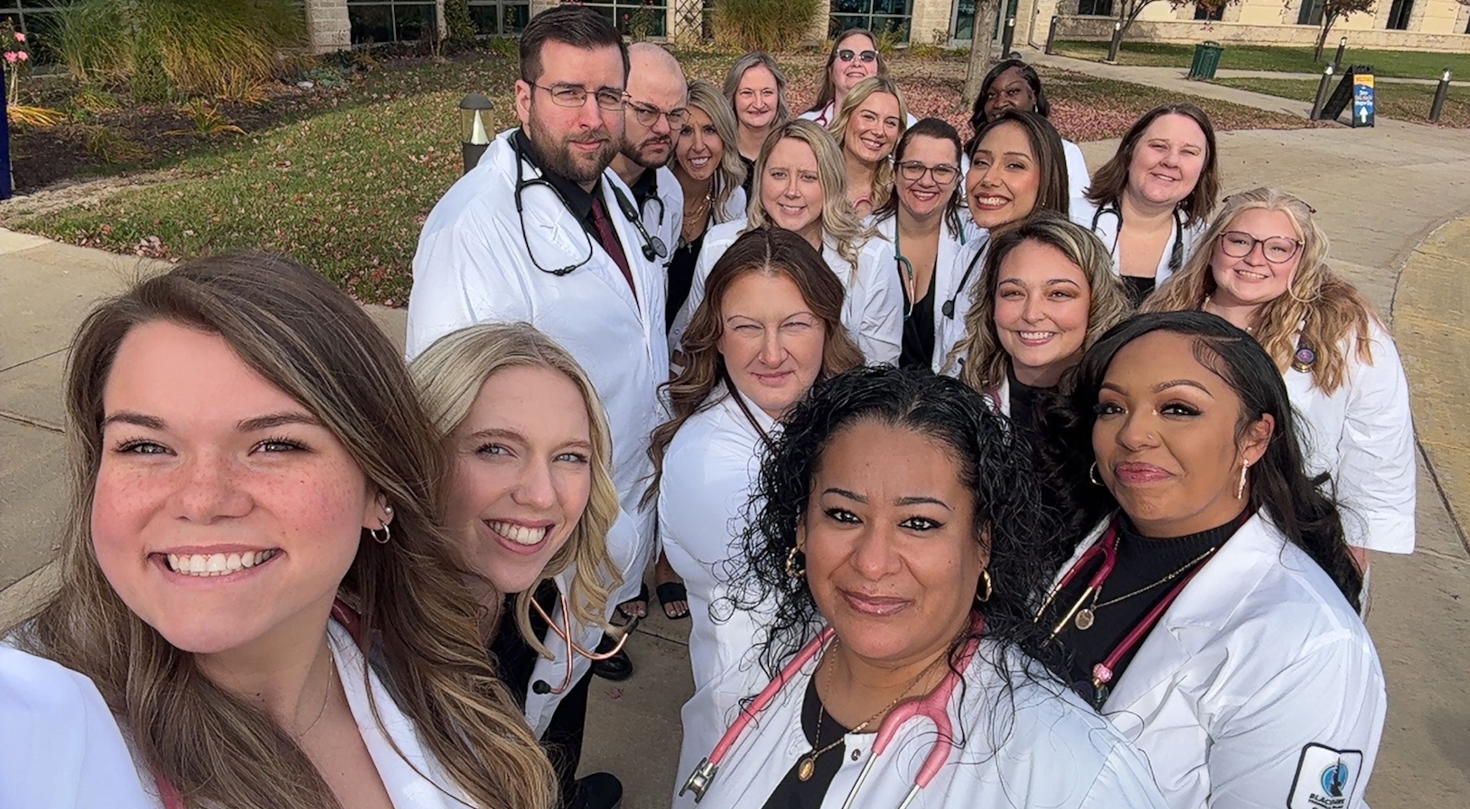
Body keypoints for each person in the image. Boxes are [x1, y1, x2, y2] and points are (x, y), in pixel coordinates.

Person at [0, 252, 557, 809]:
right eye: (145, 446)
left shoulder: (411, 658)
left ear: (378, 490)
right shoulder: (40, 730)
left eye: (274, 445)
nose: (202, 500)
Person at [673, 366, 1171, 809]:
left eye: (919, 523)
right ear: (802, 527)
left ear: (982, 543)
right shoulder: (761, 660)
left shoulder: (1074, 776)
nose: (871, 563)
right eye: (843, 515)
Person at [405, 4, 664, 681]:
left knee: (567, 676)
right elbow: (448, 412)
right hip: (523, 537)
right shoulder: (474, 229)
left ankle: (564, 786)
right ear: (523, 98)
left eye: (608, 96)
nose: (592, 116)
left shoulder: (608, 188)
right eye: (568, 93)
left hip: (601, 508)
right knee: (512, 702)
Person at [1038, 311, 1386, 809]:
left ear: (1253, 438)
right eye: (1112, 408)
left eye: (1178, 409)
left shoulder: (1310, 644)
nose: (1134, 435)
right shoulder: (1077, 540)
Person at [1142, 187, 1415, 575]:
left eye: (1278, 248)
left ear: (1302, 257)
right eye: (1239, 241)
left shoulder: (1346, 332)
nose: (1255, 258)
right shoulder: (1166, 314)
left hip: (1292, 537)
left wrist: (1353, 551)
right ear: (1214, 246)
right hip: (1168, 524)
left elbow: (1378, 445)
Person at [410, 323, 626, 809]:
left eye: (569, 456)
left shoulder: (575, 568)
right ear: (417, 455)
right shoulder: (352, 658)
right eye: (495, 449)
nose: (542, 495)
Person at [649, 229, 863, 695]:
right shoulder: (709, 465)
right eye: (747, 327)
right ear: (718, 337)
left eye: (795, 324)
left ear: (827, 327)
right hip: (755, 710)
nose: (771, 353)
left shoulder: (823, 415)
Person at [671, 119, 903, 365]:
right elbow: (697, 349)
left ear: (831, 182)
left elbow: (879, 369)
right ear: (761, 178)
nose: (792, 191)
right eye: (779, 174)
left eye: (808, 177)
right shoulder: (719, 247)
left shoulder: (871, 257)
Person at [952, 213, 1131, 431]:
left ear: (1096, 303)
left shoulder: (1122, 418)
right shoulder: (958, 410)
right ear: (991, 304)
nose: (1032, 314)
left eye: (1058, 293)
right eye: (1013, 293)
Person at [941, 110, 1071, 374]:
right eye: (980, 162)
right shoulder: (971, 253)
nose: (989, 179)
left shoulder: (1069, 268)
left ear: (1047, 177)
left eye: (1014, 165)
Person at [1073, 103, 1219, 306]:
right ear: (1129, 152)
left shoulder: (1206, 245)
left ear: (1203, 169)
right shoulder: (1069, 218)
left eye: (1188, 152)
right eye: (1159, 146)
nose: (1171, 161)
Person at [867, 118, 972, 372]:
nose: (926, 181)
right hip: (877, 397)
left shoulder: (973, 240)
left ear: (958, 178)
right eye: (914, 167)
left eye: (942, 171)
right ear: (895, 172)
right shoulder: (861, 240)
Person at [667, 79, 749, 333]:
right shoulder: (651, 196)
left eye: (710, 130)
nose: (699, 145)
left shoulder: (732, 199)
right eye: (686, 131)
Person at [610, 42, 689, 288]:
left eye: (675, 114)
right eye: (646, 111)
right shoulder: (576, 185)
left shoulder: (670, 194)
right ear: (614, 102)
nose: (663, 128)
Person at [967, 58, 1089, 199]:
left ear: (1034, 97)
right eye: (991, 95)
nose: (1000, 103)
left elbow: (1078, 210)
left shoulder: (1065, 153)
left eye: (1012, 92)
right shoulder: (967, 156)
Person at [799, 29, 916, 129]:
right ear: (831, 71)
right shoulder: (805, 126)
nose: (856, 63)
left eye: (867, 56)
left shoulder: (907, 126)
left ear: (879, 70)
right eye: (846, 55)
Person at [826, 76, 907, 216]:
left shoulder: (903, 190)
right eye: (869, 117)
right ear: (846, 117)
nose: (878, 131)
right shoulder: (815, 177)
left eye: (890, 123)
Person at [723, 52, 790, 196]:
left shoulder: (793, 150)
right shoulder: (718, 153)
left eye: (767, 93)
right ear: (732, 97)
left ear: (779, 96)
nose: (759, 104)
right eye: (747, 93)